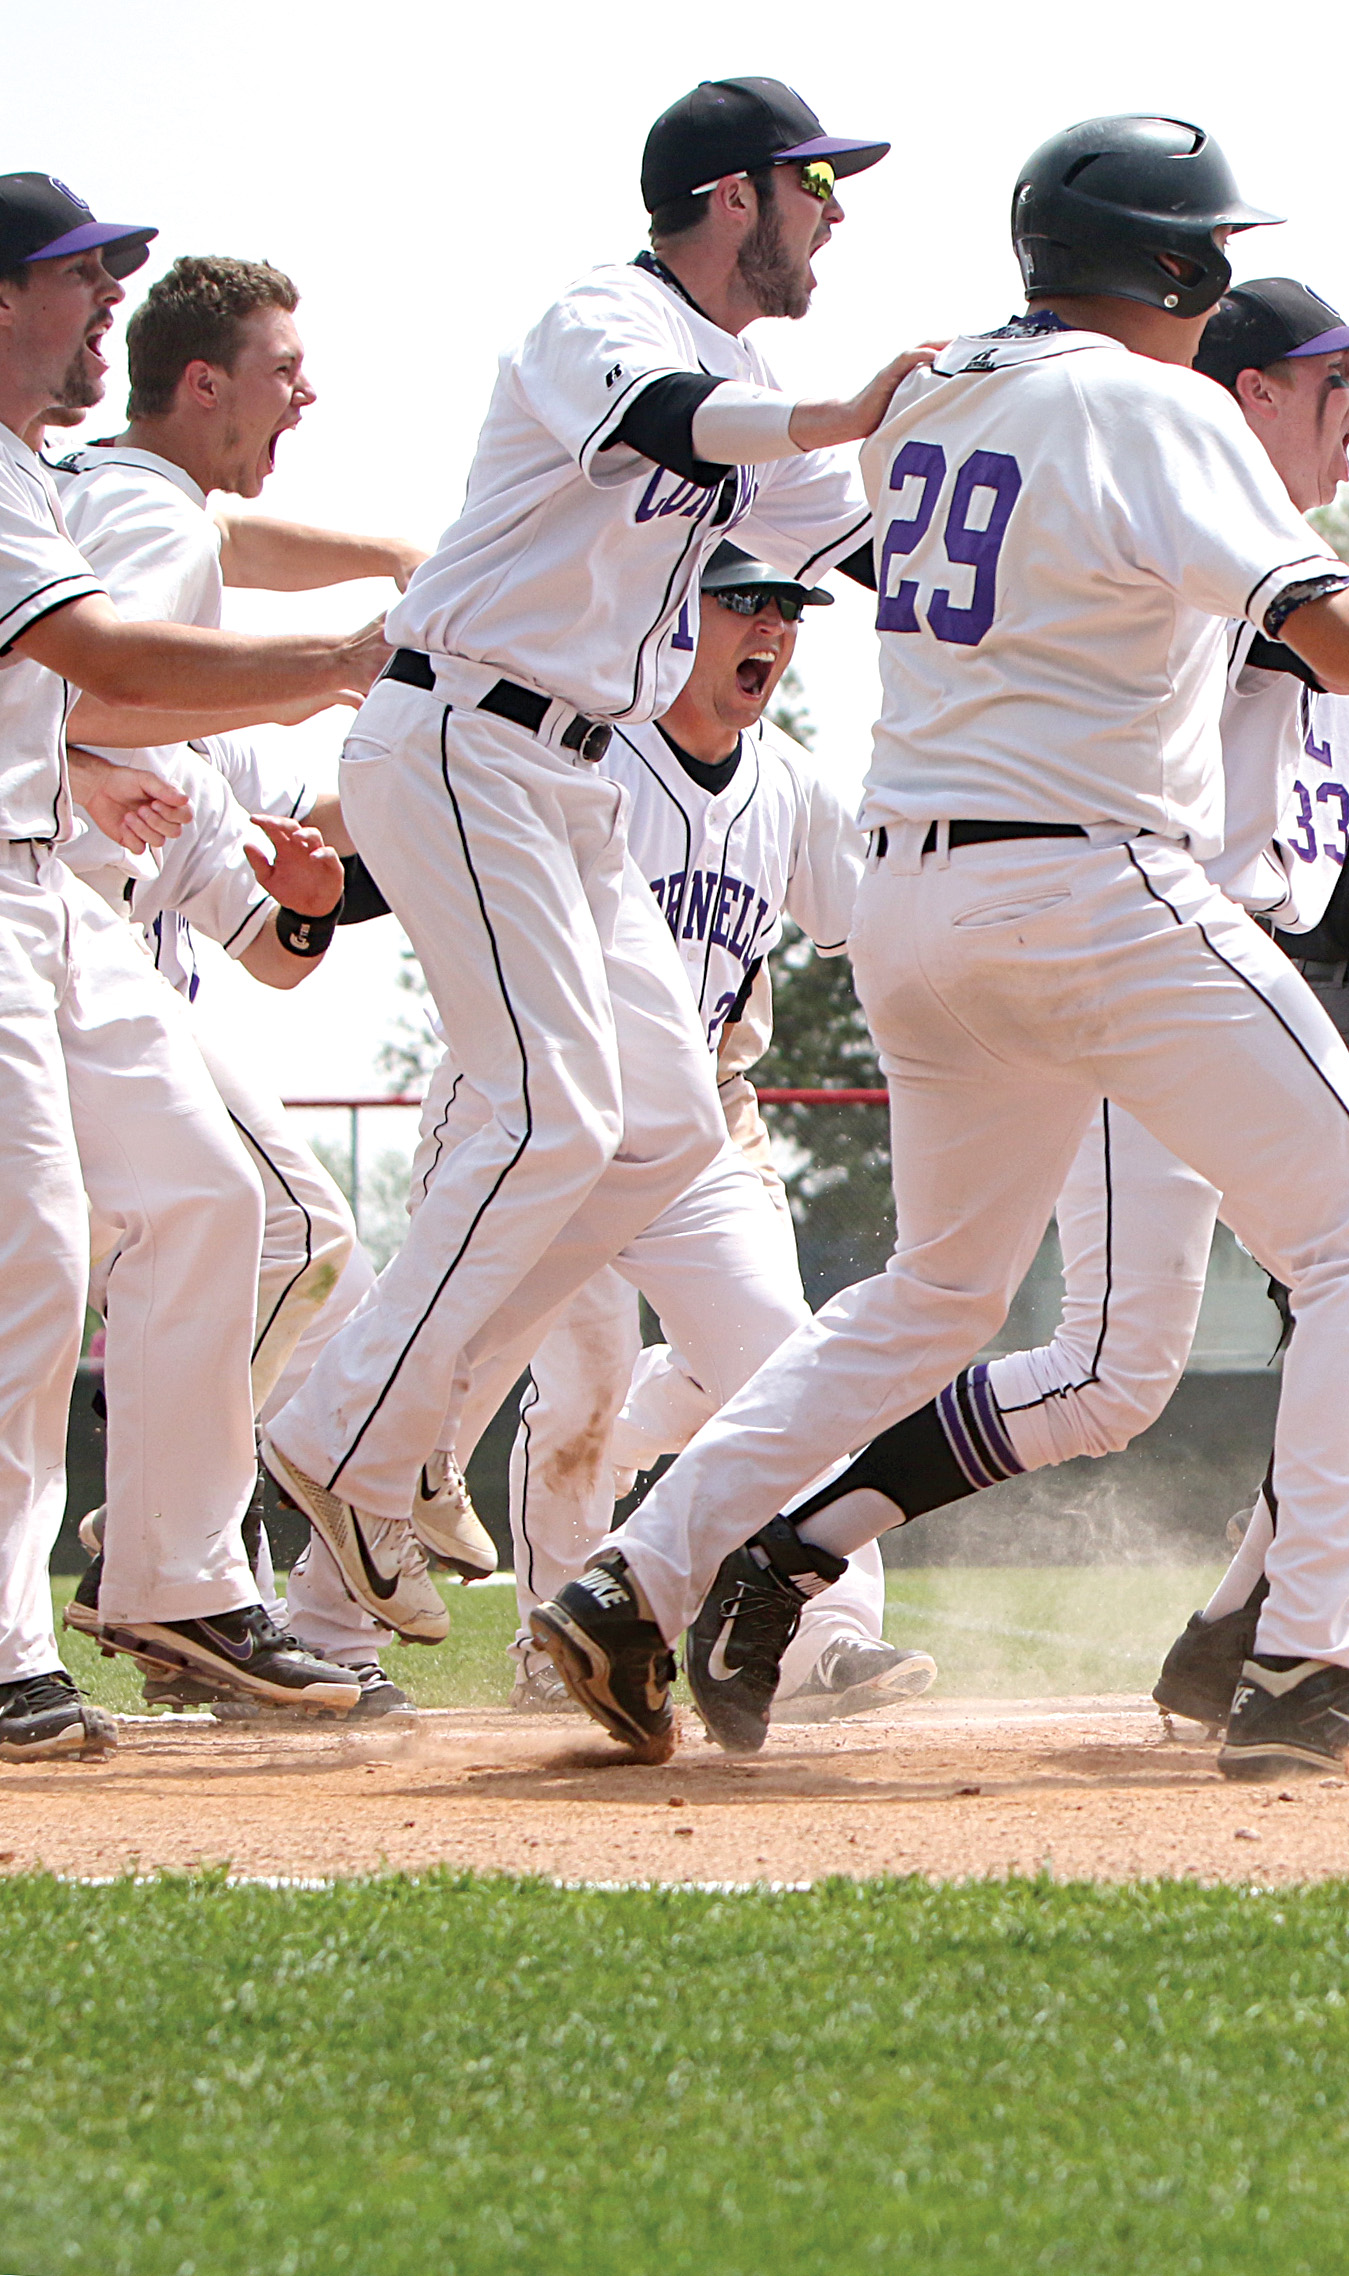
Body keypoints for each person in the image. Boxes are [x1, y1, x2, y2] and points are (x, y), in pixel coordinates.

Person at [537, 115, 1349, 1784]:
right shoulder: (1155, 400)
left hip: (919, 903)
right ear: (1173, 266)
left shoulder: (933, 392)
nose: (1212, 289)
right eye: (1204, 256)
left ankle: (639, 1574)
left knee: (934, 1293)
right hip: (1091, 886)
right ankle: (1314, 1657)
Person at [255, 77, 927, 1646]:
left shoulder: (751, 371)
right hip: (456, 732)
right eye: (814, 183)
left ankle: (383, 1425)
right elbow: (653, 425)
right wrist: (842, 411)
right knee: (558, 1110)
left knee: (662, 1115)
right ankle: (348, 1435)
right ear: (732, 195)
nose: (835, 212)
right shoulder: (597, 314)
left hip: (558, 769)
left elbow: (871, 535)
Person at [0, 172, 383, 1758]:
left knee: (217, 1202)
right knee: (24, 1257)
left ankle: (180, 1576)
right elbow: (109, 660)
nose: (105, 303)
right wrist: (341, 663)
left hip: (31, 882)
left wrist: (84, 767)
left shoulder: (14, 466)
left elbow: (68, 688)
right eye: (77, 275)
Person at [483, 542, 927, 1725]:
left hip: (708, 1124)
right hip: (561, 1114)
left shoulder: (784, 783)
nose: (769, 630)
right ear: (668, 615)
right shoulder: (592, 757)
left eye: (786, 608)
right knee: (571, 1396)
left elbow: (875, 926)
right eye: (741, 602)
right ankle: (549, 1630)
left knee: (786, 1355)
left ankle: (823, 1627)